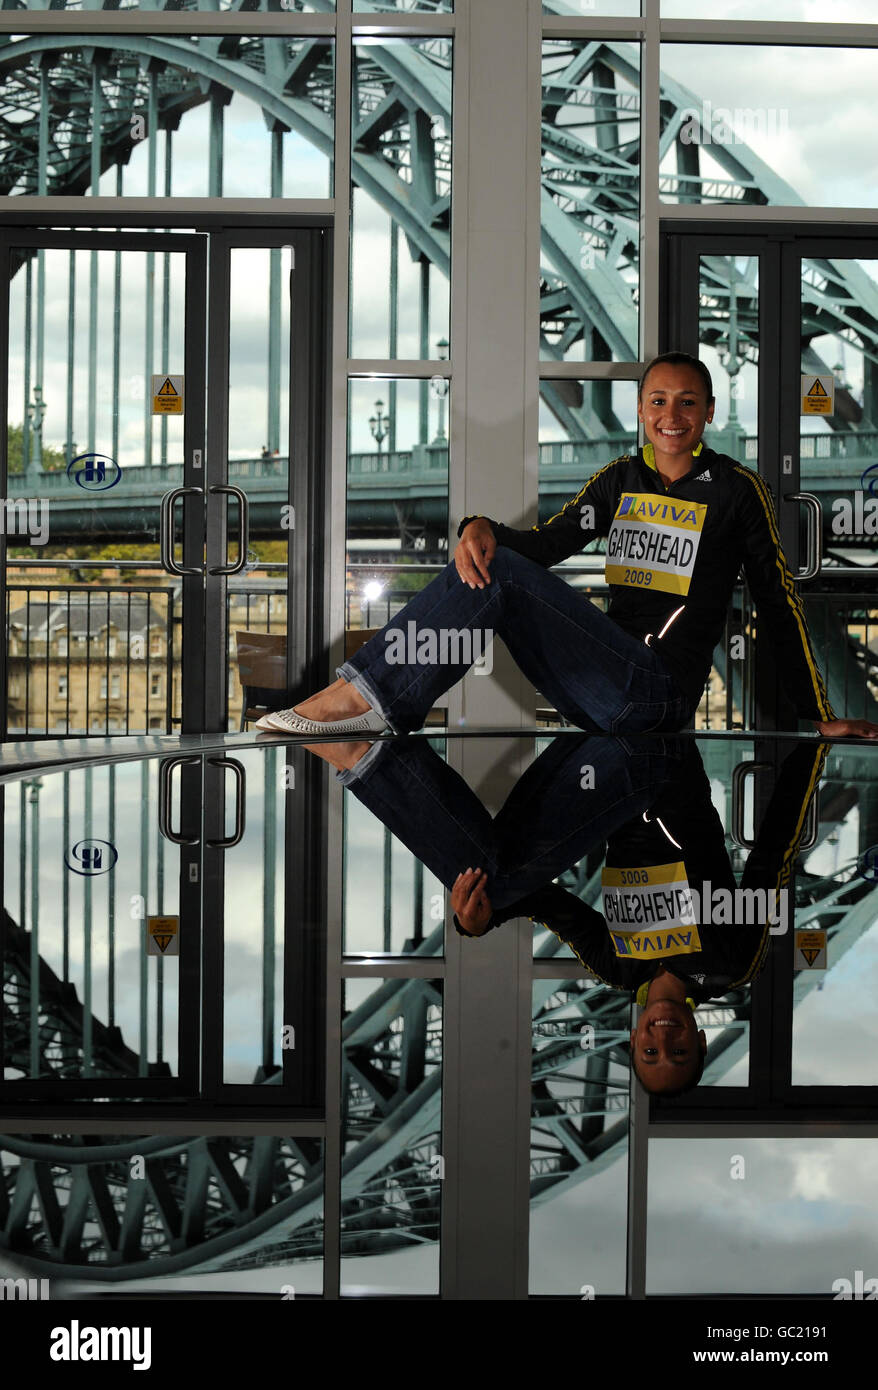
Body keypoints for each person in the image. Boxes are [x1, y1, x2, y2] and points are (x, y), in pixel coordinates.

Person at [257, 351, 878, 740]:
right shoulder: (618, 480)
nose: (672, 414)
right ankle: (373, 704)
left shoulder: (739, 492)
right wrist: (479, 526)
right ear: (640, 410)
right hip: (597, 690)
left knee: (499, 575)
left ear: (709, 412)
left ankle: (363, 699)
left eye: (688, 402)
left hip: (656, 692)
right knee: (493, 564)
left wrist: (818, 712)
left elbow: (777, 602)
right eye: (658, 401)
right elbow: (544, 546)